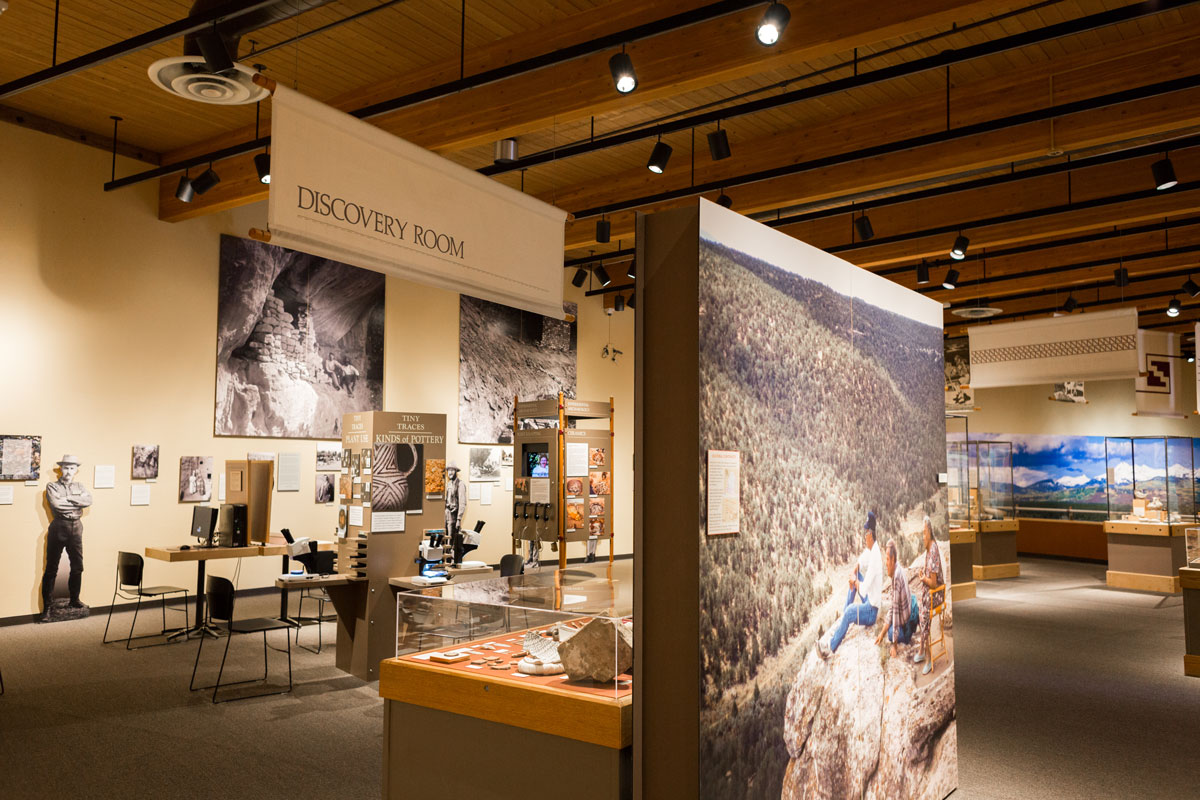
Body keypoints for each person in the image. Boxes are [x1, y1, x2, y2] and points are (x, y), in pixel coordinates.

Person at [818, 511, 882, 658]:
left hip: (872, 611)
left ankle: (829, 648)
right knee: (856, 575)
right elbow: (861, 560)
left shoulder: (875, 559)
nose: (864, 536)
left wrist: (854, 582)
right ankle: (844, 620)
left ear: (870, 535)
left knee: (850, 610)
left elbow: (864, 590)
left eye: (866, 533)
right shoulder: (873, 550)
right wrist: (854, 571)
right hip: (871, 601)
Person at [39, 454, 93, 622]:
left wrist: (68, 498)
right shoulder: (52, 486)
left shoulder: (80, 485)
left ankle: (74, 600)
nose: (68, 471)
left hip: (76, 526)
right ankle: (47, 607)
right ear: (60, 469)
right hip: (59, 526)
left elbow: (89, 500)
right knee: (51, 568)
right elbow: (57, 505)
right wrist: (77, 502)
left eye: (72, 468)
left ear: (76, 470)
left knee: (78, 566)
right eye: (66, 468)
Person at [876, 538, 919, 657]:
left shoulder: (896, 580)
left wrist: (894, 646)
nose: (886, 563)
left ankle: (905, 637)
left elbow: (895, 615)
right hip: (907, 619)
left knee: (890, 633)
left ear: (893, 559)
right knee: (887, 627)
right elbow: (892, 608)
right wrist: (881, 633)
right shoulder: (899, 570)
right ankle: (889, 632)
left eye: (888, 559)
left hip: (906, 628)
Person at [914, 516, 945, 675]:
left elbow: (933, 583)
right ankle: (921, 650)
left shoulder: (932, 551)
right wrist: (923, 576)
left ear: (930, 532)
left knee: (924, 613)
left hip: (937, 594)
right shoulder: (930, 548)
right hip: (932, 593)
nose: (923, 536)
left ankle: (928, 657)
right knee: (921, 607)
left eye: (924, 532)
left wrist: (922, 578)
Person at [444, 462, 469, 564]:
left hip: (453, 515)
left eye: (452, 470)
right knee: (445, 538)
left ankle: (451, 562)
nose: (450, 472)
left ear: (455, 472)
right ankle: (446, 561)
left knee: (451, 538)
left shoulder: (460, 484)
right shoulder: (448, 484)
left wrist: (459, 519)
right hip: (446, 513)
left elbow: (462, 502)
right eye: (449, 470)